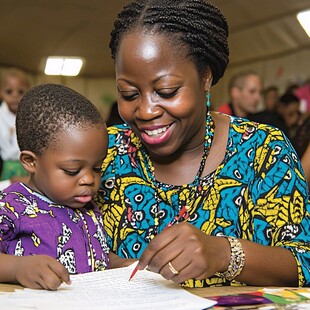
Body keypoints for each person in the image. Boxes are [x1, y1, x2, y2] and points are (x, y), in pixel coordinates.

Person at [96, 0, 310, 288]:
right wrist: (114, 265)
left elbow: (303, 263)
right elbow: (55, 235)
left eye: (166, 91)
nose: (146, 111)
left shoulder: (263, 151)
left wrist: (223, 253)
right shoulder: (102, 153)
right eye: (129, 94)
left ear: (206, 77)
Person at [0, 83, 110, 290]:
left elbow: (95, 255)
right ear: (31, 162)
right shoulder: (11, 205)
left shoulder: (88, 207)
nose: (89, 179)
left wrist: (123, 265)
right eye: (72, 170)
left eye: (97, 168)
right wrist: (17, 267)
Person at [0, 68, 30, 190]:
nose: (15, 96)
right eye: (9, 91)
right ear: (1, 92)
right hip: (6, 167)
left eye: (21, 92)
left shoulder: (31, 115)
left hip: (27, 164)